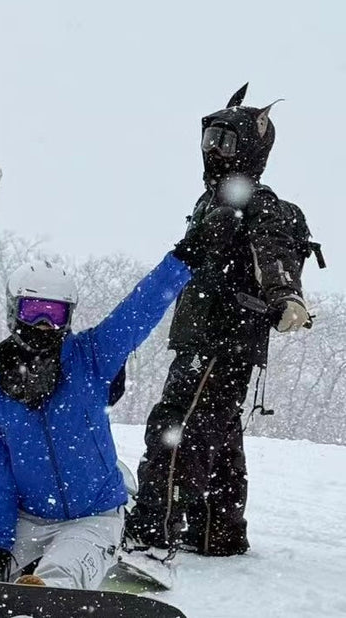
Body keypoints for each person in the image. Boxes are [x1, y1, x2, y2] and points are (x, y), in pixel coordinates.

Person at [0, 216, 242, 588]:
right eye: (34, 311)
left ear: (68, 317)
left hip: (92, 518)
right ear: (15, 312)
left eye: (55, 313)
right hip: (26, 520)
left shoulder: (91, 358)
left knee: (58, 578)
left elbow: (138, 310)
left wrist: (185, 257)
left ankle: (38, 604)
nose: (45, 324)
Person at [124, 84, 317, 563]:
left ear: (251, 148)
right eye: (210, 138)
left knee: (179, 425)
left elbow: (271, 250)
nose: (214, 150)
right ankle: (219, 531)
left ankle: (151, 529)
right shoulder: (209, 202)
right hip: (208, 333)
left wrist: (287, 295)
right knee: (217, 428)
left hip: (221, 337)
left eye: (226, 141)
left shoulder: (257, 200)